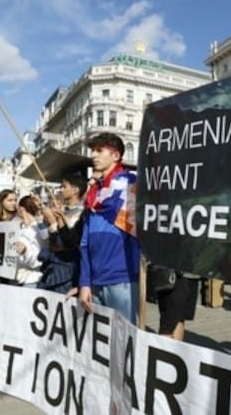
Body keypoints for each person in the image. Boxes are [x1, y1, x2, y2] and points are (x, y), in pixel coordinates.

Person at [77, 132, 139, 323]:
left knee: (125, 340)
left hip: (123, 278)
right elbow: (85, 243)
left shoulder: (131, 184)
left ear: (116, 155)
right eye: (92, 151)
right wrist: (85, 282)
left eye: (99, 150)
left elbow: (138, 230)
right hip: (95, 281)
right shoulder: (93, 193)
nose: (93, 156)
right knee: (100, 343)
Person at [156, 269, 199, 341]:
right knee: (168, 324)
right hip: (174, 274)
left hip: (191, 273)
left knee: (180, 318)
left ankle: (175, 351)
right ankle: (164, 351)